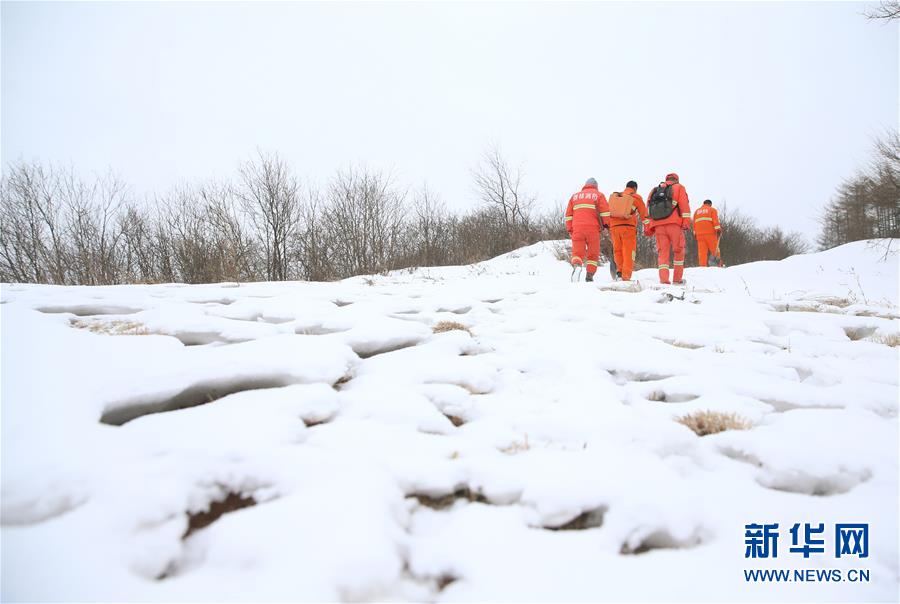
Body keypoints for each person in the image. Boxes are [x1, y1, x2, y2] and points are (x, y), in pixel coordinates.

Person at [644, 173, 691, 284]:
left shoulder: (655, 190)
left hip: (658, 226)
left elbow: (648, 209)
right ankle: (677, 279)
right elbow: (684, 205)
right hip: (674, 224)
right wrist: (686, 223)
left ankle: (664, 280)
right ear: (677, 180)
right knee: (678, 251)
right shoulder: (679, 187)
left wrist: (649, 227)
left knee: (662, 254)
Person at [565, 177, 610, 282]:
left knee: (577, 253)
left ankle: (577, 266)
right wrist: (606, 227)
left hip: (577, 229)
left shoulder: (574, 197)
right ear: (596, 187)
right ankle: (589, 276)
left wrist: (570, 229)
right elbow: (605, 213)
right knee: (593, 254)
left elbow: (568, 215)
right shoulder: (599, 195)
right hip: (593, 229)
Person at [608, 180, 648, 281]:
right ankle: (625, 277)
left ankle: (619, 272)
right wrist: (648, 228)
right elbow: (644, 215)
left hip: (614, 228)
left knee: (617, 251)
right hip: (628, 228)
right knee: (628, 252)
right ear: (635, 188)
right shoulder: (635, 197)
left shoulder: (617, 196)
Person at [692, 199, 722, 267]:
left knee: (702, 252)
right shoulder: (712, 210)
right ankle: (718, 264)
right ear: (710, 204)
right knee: (715, 250)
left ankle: (702, 266)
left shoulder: (696, 211)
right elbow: (715, 221)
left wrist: (695, 234)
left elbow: (694, 223)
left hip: (699, 235)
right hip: (710, 233)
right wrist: (718, 229)